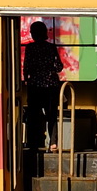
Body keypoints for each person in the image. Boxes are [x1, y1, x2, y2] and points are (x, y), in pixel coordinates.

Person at [22, 21, 64, 151]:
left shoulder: (30, 48)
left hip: (34, 86)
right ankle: (53, 143)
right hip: (50, 85)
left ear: (33, 34)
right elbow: (59, 67)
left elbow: (26, 68)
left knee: (34, 116)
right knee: (51, 115)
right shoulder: (51, 48)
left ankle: (34, 142)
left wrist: (28, 79)